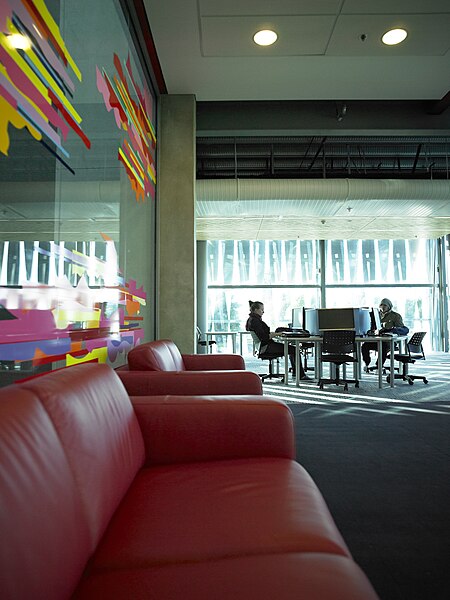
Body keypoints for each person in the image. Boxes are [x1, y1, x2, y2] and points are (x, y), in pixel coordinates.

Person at [245, 300, 309, 380]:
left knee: (292, 349)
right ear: (255, 310)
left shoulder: (253, 319)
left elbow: (263, 334)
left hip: (263, 346)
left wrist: (276, 333)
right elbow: (264, 337)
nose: (263, 312)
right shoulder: (255, 321)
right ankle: (301, 375)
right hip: (265, 347)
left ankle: (296, 373)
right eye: (261, 309)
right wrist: (278, 334)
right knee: (294, 350)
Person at [362, 298, 407, 372]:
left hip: (389, 342)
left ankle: (379, 365)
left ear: (389, 306)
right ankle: (367, 363)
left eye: (385, 305)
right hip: (377, 339)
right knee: (365, 346)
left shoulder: (395, 316)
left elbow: (401, 329)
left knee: (383, 346)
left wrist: (391, 330)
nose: (383, 307)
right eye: (381, 305)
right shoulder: (375, 315)